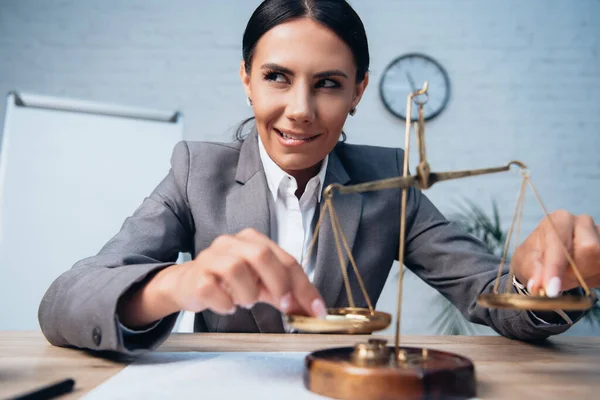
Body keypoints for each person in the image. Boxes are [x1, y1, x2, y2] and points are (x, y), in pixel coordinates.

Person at [39, 0, 599, 355]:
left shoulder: (387, 185)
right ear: (247, 80)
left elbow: (491, 295)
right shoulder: (197, 173)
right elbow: (63, 302)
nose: (301, 109)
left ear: (358, 91)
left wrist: (543, 281)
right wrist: (171, 286)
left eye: (329, 83)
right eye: (277, 77)